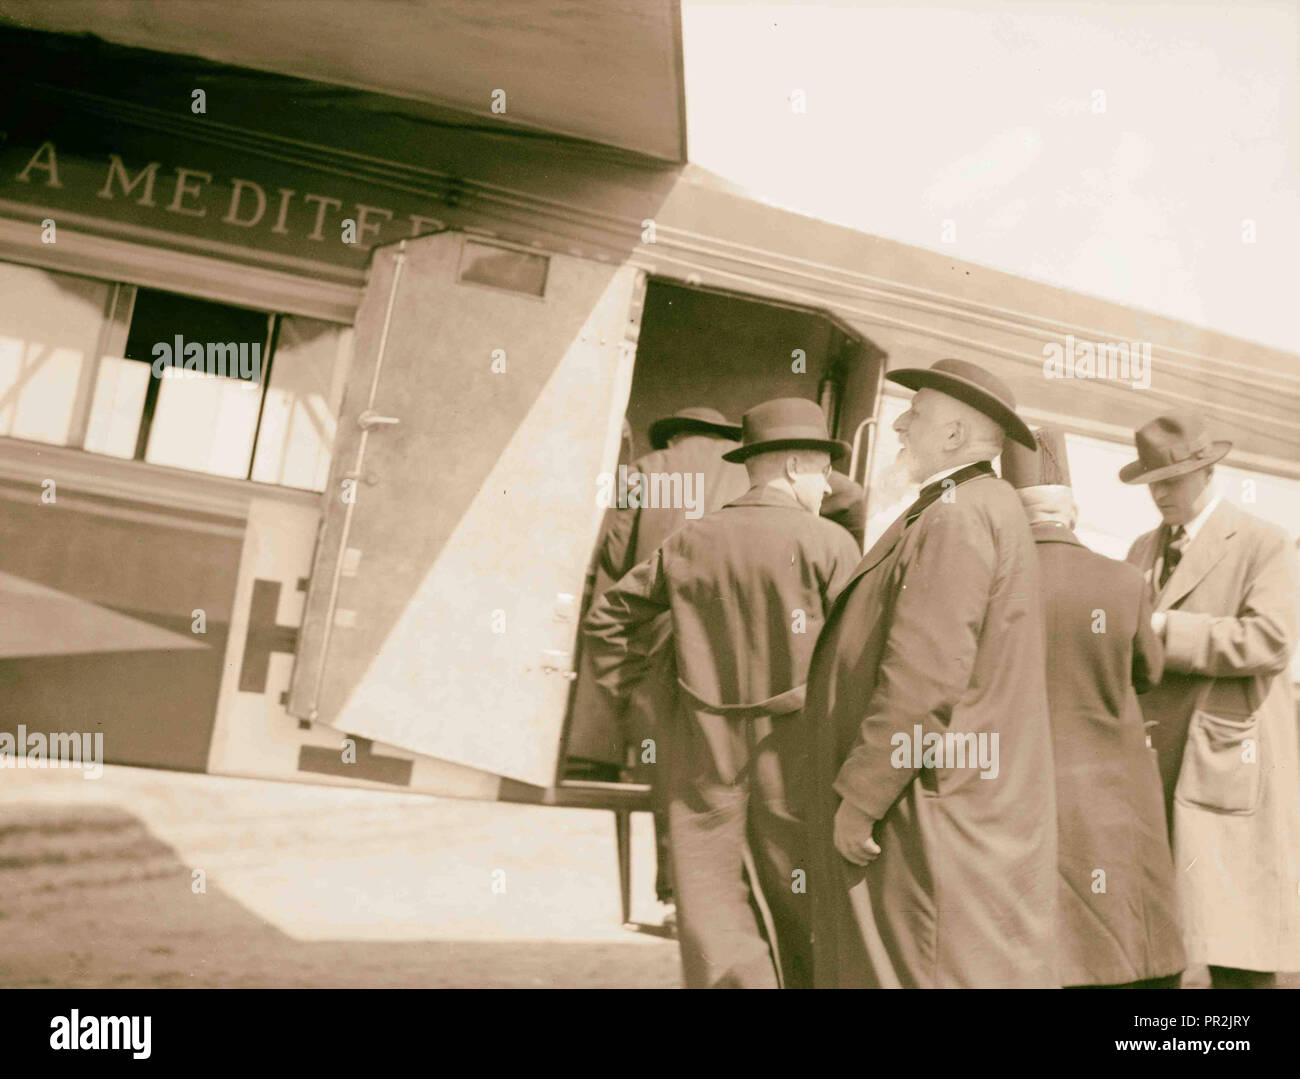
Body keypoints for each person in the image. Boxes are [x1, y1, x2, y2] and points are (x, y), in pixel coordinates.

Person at [584, 397, 861, 988]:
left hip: (699, 742)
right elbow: (856, 657)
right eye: (821, 474)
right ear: (793, 469)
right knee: (801, 894)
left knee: (709, 898)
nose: (825, 488)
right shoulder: (831, 545)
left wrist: (642, 704)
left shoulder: (692, 540)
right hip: (796, 753)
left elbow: (608, 618)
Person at [803, 357, 1058, 988]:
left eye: (913, 414)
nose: (897, 425)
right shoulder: (973, 504)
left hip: (927, 804)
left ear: (952, 436)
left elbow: (925, 674)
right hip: (950, 794)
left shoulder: (957, 512)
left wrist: (862, 798)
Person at [1121, 410, 1300, 988]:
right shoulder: (1141, 549)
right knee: (1155, 942)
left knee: (1236, 947)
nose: (1161, 495)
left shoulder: (1262, 543)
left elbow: (1270, 641)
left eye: (1172, 480)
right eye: (1153, 483)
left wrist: (1165, 630)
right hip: (1155, 765)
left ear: (1206, 473)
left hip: (1225, 762)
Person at [1003, 425, 1184, 989]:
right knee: (1119, 942)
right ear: (1073, 511)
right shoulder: (1122, 581)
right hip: (1109, 792)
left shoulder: (989, 582)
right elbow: (1148, 674)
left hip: (1013, 787)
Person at [566, 407, 748, 904]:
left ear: (676, 434)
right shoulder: (746, 470)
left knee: (667, 757)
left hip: (662, 623)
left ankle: (672, 888)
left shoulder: (650, 468)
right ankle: (716, 892)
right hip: (730, 631)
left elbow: (616, 553)